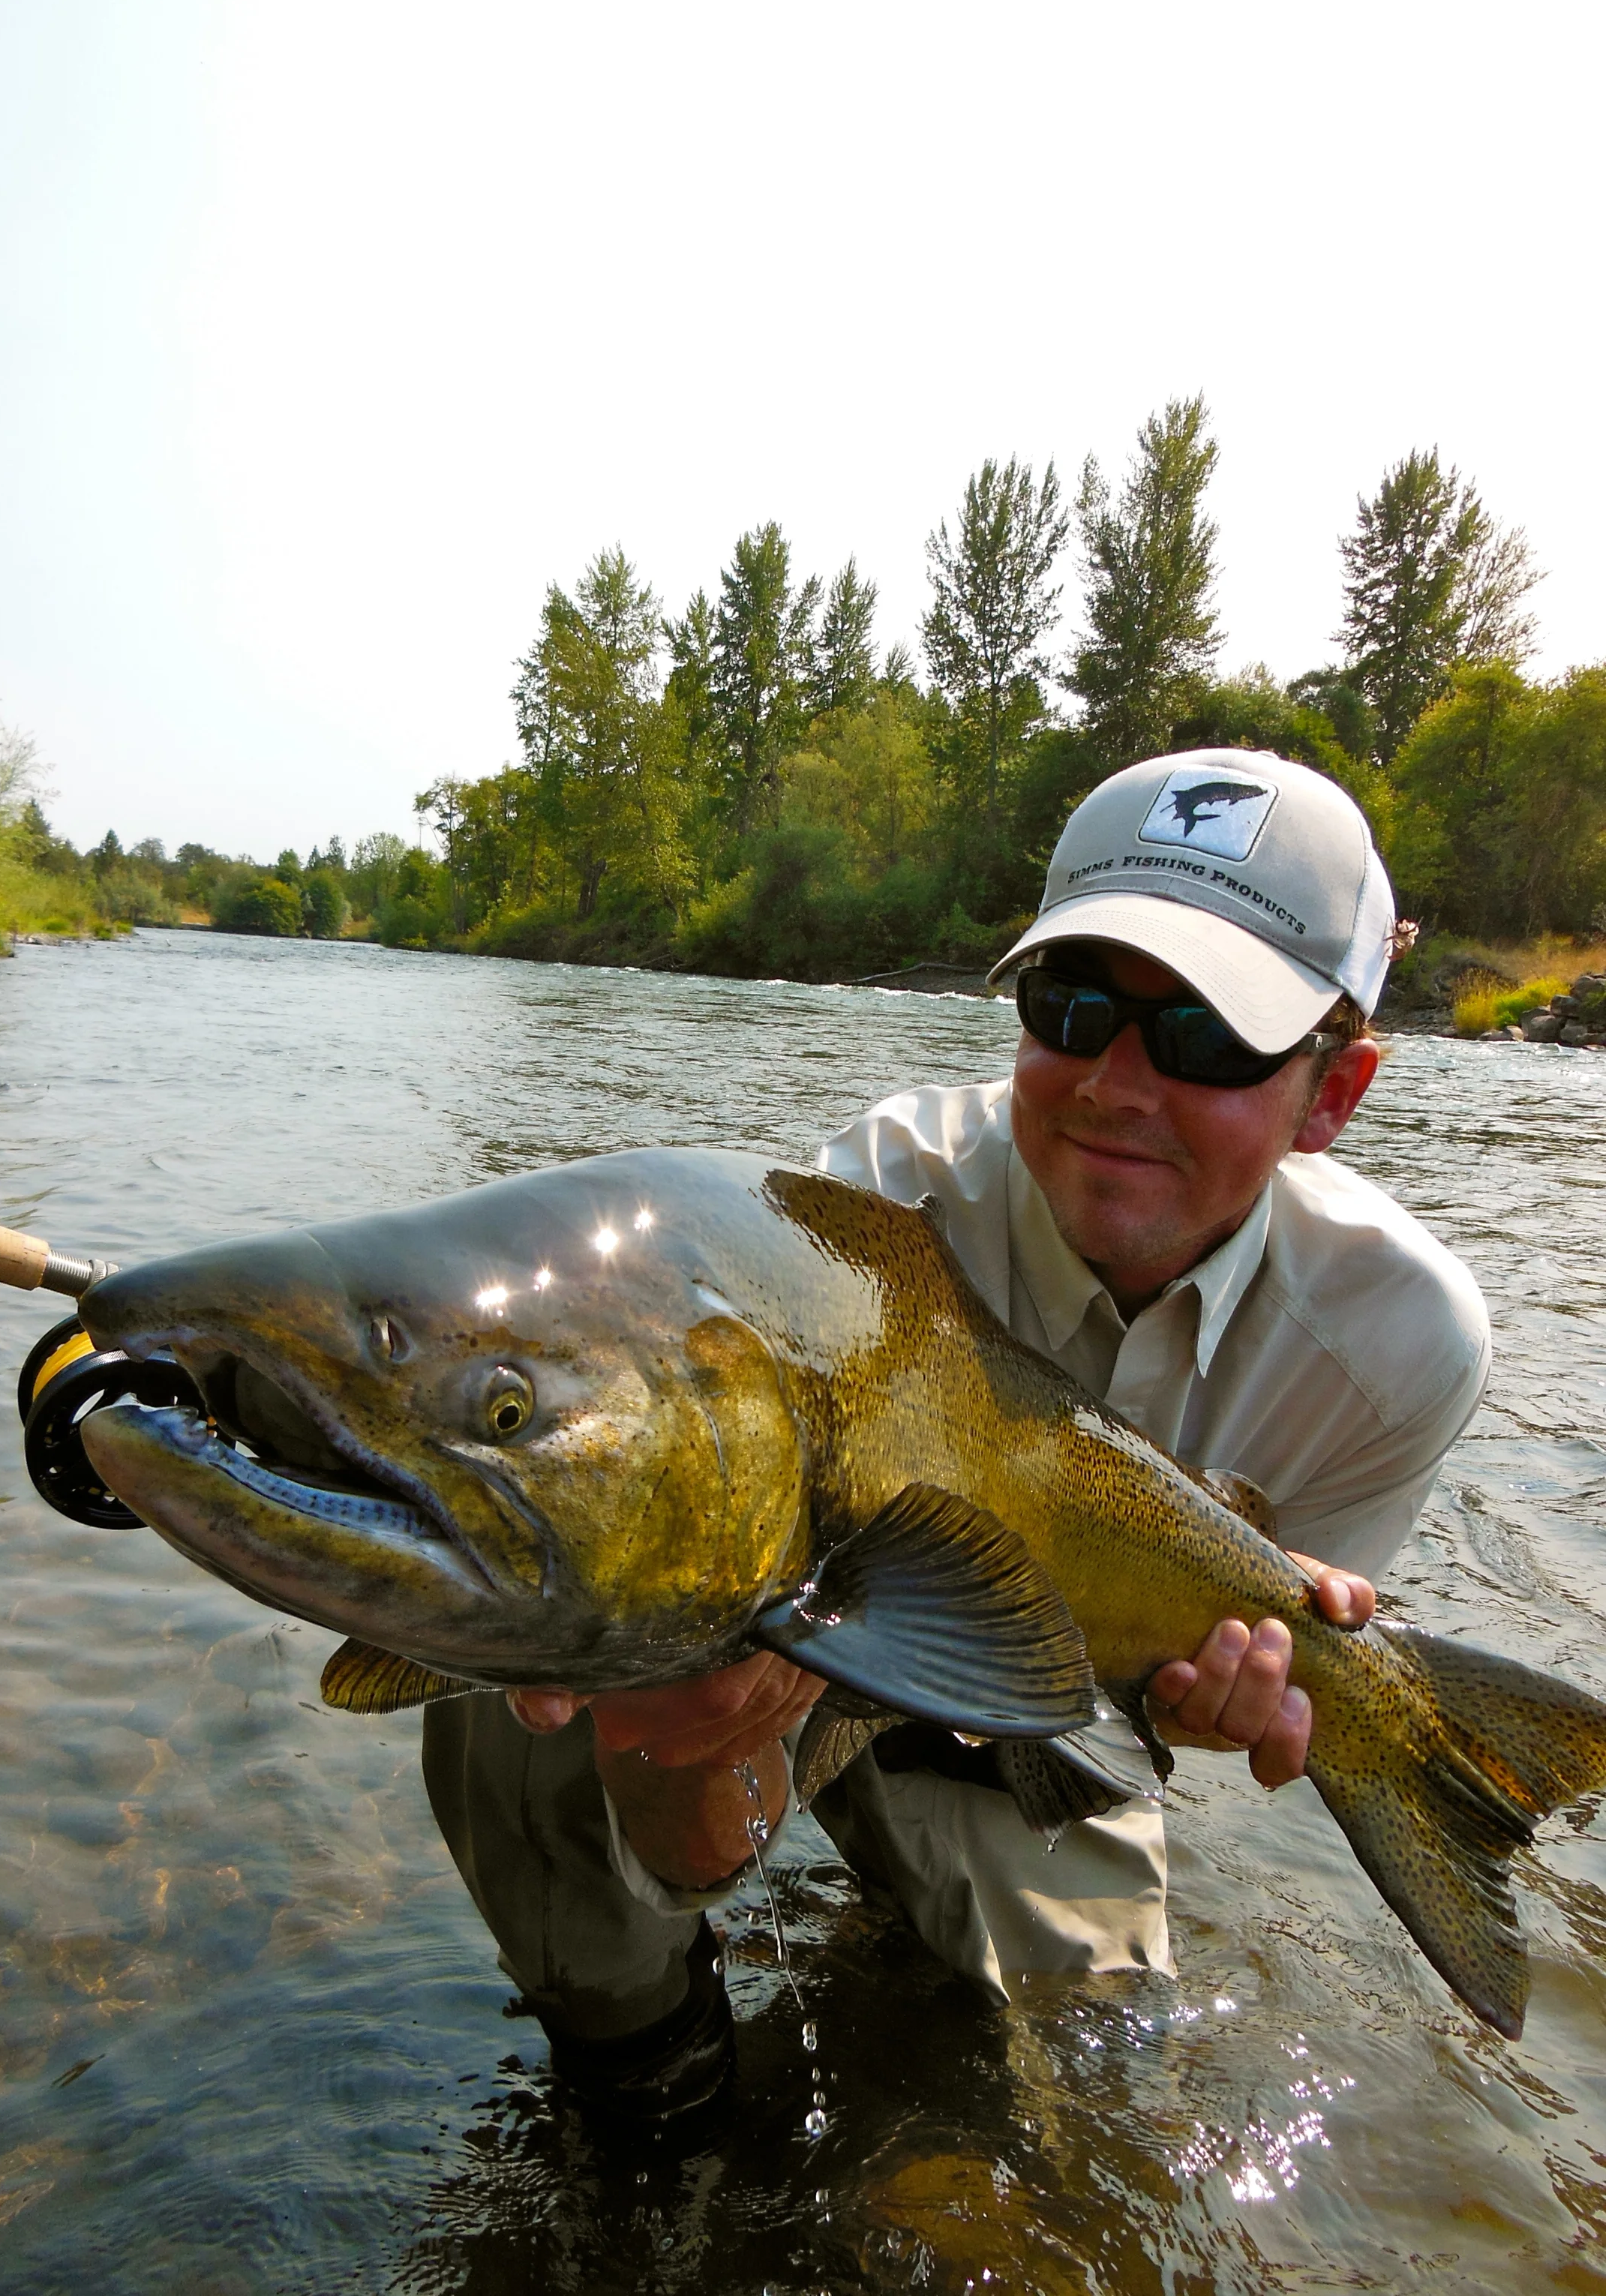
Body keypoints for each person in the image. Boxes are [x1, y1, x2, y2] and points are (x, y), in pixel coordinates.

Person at [422, 749, 1492, 2121]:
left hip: (1052, 1725)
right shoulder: (878, 1203)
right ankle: (643, 2064)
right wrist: (689, 1721)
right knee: (530, 1631)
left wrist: (1244, 1701)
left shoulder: (1402, 1344)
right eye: (1074, 1004)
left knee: (1077, 2102)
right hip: (816, 1635)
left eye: (1208, 1038)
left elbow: (1269, 1672)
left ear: (1333, 1095)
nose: (1116, 1082)